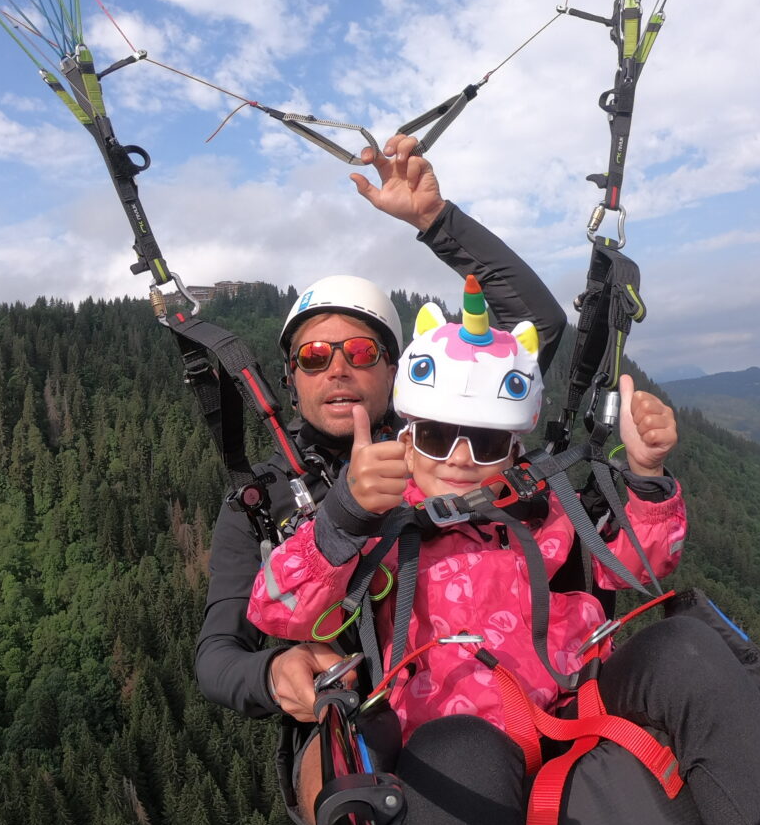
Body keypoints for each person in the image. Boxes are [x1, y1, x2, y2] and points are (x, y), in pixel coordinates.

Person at [242, 288, 760, 825]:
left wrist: (645, 476)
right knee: (451, 753)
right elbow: (278, 609)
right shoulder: (378, 529)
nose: (458, 458)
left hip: (576, 700)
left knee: (687, 650)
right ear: (405, 431)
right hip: (459, 736)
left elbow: (641, 563)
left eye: (484, 441)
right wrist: (344, 516)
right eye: (435, 436)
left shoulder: (543, 509)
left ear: (513, 446)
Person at [194, 134, 567, 728]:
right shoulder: (261, 500)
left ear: (398, 370)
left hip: (511, 687)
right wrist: (270, 674)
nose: (337, 367)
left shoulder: (451, 434)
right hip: (371, 730)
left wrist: (435, 220)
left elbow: (535, 329)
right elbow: (217, 654)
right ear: (292, 378)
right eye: (314, 355)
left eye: (361, 351)